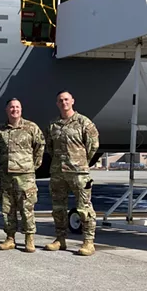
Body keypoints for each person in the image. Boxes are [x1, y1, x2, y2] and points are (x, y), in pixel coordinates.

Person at [45, 91, 99, 256]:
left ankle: (88, 242)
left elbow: (93, 145)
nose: (64, 102)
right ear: (57, 103)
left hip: (78, 172)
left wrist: (81, 161)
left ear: (72, 101)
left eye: (66, 99)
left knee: (84, 207)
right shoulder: (53, 124)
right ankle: (60, 239)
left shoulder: (84, 122)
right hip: (58, 172)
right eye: (60, 100)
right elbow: (49, 147)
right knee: (58, 208)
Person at [0, 99, 45, 253]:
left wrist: (33, 165)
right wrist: (1, 166)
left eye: (17, 107)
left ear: (21, 110)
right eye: (11, 107)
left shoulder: (31, 127)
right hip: (6, 175)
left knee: (27, 207)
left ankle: (29, 238)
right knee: (7, 207)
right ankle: (10, 238)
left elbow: (40, 146)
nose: (14, 110)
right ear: (6, 110)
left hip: (25, 175)